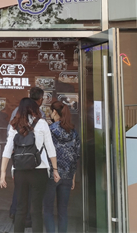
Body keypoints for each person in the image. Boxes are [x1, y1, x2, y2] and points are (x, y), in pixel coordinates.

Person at [1, 98, 60, 233]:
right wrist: (55, 169)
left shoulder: (15, 124)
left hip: (20, 171)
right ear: (34, 109)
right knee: (36, 210)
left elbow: (8, 149)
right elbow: (50, 148)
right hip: (39, 170)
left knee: (21, 208)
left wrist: (3, 172)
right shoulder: (42, 123)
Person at [9, 87, 46, 223]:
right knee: (31, 188)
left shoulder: (16, 111)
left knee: (20, 186)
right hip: (32, 155)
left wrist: (14, 150)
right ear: (40, 99)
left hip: (18, 154)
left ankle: (15, 212)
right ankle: (27, 217)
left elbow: (10, 132)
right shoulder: (40, 114)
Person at [43, 100, 80, 233]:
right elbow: (76, 155)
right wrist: (73, 176)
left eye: (50, 111)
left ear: (54, 112)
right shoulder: (73, 132)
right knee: (63, 211)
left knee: (48, 209)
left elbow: (44, 152)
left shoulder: (50, 130)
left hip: (52, 175)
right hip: (67, 175)